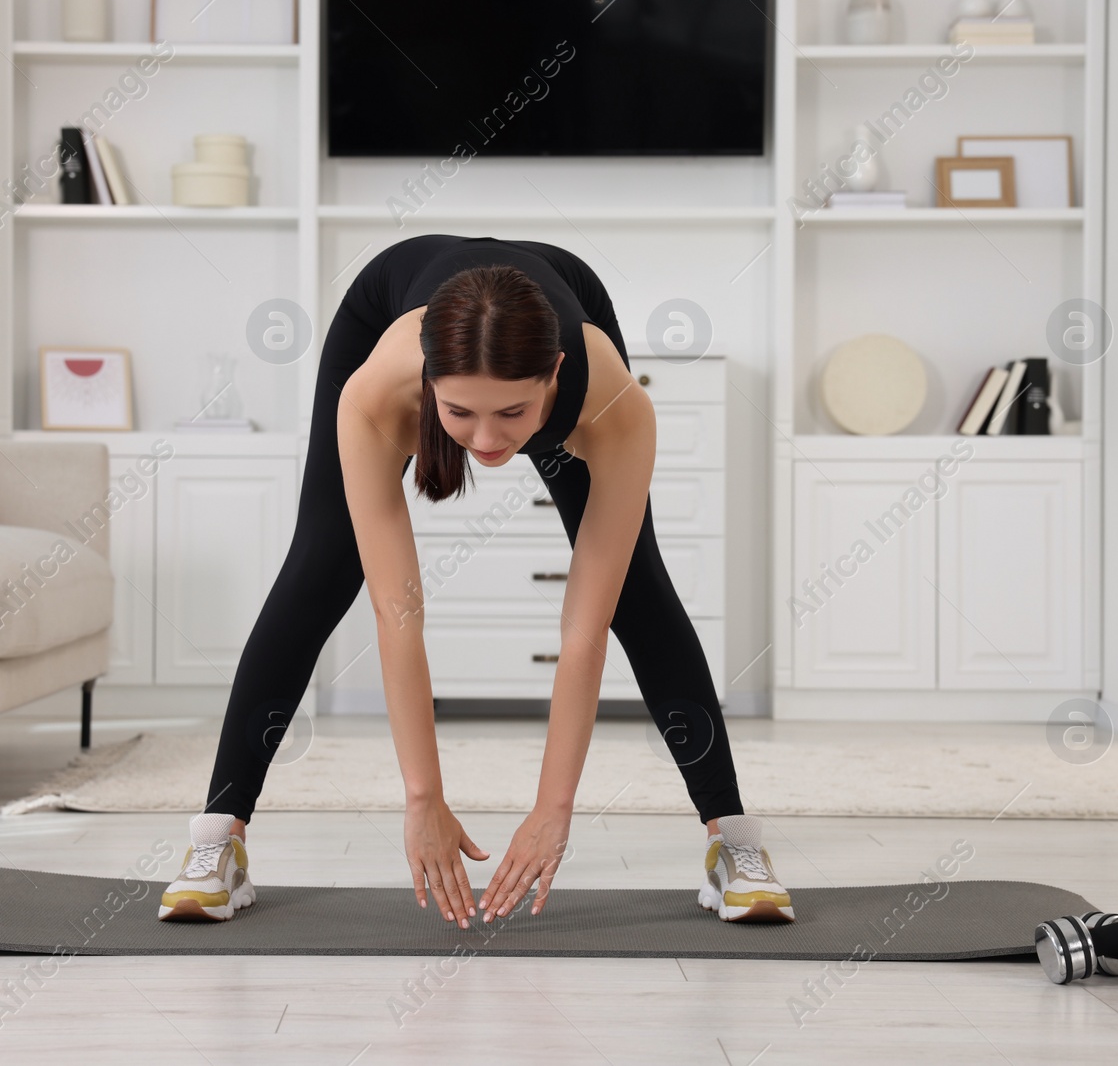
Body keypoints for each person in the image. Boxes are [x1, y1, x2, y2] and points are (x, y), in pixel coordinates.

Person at [157, 235, 793, 926]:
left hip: (568, 299)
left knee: (635, 589)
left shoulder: (613, 408)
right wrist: (422, 796)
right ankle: (219, 838)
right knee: (319, 567)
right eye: (461, 415)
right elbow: (399, 614)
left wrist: (554, 810)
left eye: (512, 415)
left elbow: (583, 635)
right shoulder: (374, 396)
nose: (487, 442)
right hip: (387, 303)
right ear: (430, 384)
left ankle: (733, 842)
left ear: (552, 375)